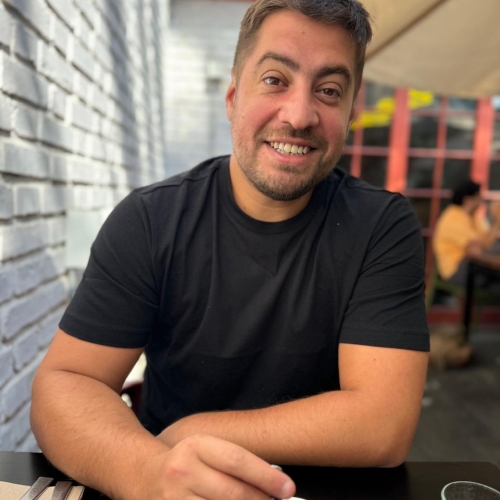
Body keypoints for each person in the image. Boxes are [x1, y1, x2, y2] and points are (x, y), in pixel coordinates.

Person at [31, 1, 429, 499]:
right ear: (234, 96)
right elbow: (66, 382)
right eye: (275, 80)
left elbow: (383, 424)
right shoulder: (151, 220)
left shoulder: (381, 226)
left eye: (329, 90)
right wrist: (148, 470)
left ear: (350, 112)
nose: (299, 115)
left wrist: (195, 431)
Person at [433, 179, 500, 288]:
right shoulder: (453, 218)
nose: (481, 201)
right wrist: (497, 220)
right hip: (456, 271)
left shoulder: (474, 217)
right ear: (468, 200)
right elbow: (478, 249)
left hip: (474, 265)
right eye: (478, 197)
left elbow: (488, 243)